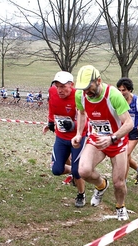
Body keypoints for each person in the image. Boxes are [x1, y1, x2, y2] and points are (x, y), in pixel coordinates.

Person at [71, 65, 133, 221]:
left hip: (116, 142)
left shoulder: (113, 95)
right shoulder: (80, 95)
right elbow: (82, 113)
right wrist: (79, 133)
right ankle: (101, 185)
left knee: (119, 183)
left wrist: (112, 137)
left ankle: (120, 206)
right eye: (83, 89)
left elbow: (129, 123)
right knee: (83, 171)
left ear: (98, 81)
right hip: (96, 139)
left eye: (89, 87)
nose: (86, 92)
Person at [43, 71, 88, 207]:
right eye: (58, 86)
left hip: (77, 138)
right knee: (56, 170)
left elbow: (87, 117)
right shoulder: (53, 91)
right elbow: (52, 106)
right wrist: (50, 122)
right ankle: (74, 170)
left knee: (77, 172)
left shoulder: (79, 96)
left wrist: (74, 124)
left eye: (63, 86)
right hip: (61, 137)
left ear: (71, 85)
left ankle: (81, 194)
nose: (60, 90)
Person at [117, 77, 138, 184]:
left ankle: (123, 182)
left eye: (124, 90)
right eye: (119, 90)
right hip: (123, 131)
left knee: (125, 154)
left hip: (134, 131)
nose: (121, 93)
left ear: (130, 90)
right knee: (126, 155)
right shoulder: (117, 101)